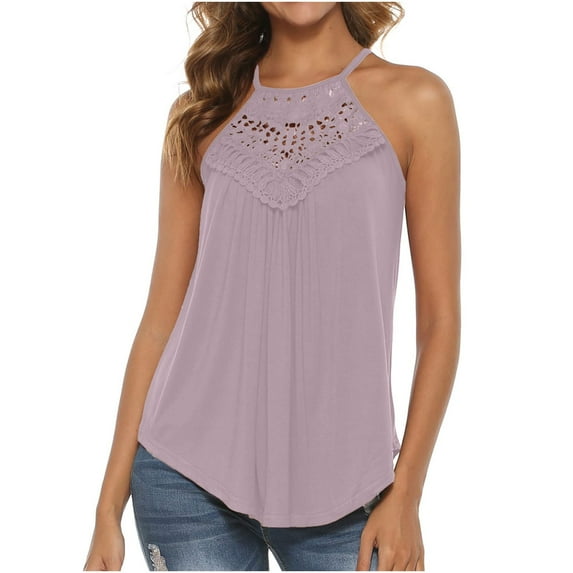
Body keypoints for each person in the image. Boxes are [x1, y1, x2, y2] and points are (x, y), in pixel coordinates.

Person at [83, 2, 461, 571]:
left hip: (350, 492)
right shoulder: (203, 112)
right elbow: (161, 318)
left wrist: (406, 492)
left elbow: (439, 322)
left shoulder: (416, 101)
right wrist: (107, 508)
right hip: (185, 479)